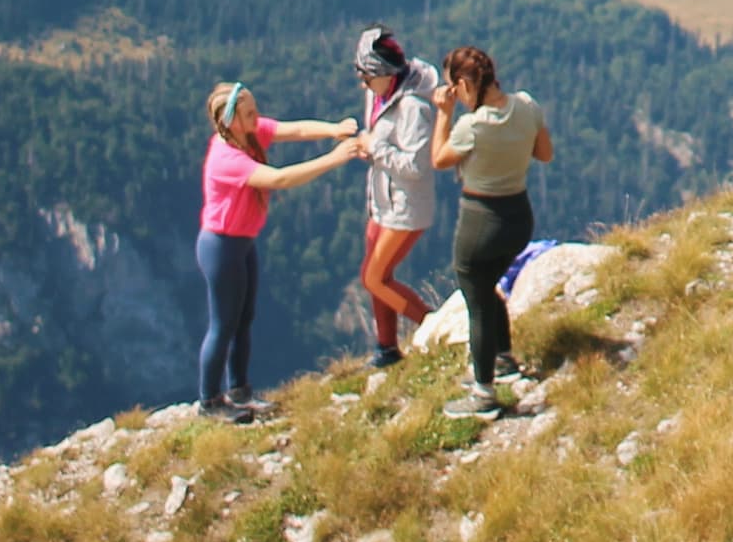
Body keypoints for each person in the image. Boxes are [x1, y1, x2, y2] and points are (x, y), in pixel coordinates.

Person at [194, 80, 359, 418]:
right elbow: (279, 179)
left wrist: (334, 130)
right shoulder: (227, 157)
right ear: (231, 121)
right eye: (250, 113)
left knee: (243, 319)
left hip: (240, 243)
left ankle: (239, 391)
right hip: (222, 246)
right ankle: (209, 401)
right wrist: (334, 159)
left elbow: (294, 129)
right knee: (223, 325)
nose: (258, 116)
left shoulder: (248, 133)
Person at [432, 45, 552, 413]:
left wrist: (444, 114)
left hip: (480, 220)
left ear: (464, 85)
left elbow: (439, 159)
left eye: (453, 87)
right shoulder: (526, 106)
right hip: (518, 216)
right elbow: (544, 153)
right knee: (488, 288)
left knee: (477, 300)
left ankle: (483, 392)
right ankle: (502, 358)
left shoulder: (473, 125)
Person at [350, 27, 438, 369]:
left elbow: (417, 165)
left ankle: (438, 327)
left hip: (406, 206)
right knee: (374, 274)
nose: (362, 84)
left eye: (366, 76)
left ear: (385, 74)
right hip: (383, 200)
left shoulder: (414, 107)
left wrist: (376, 148)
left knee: (374, 277)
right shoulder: (381, 94)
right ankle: (386, 348)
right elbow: (379, 143)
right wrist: (369, 149)